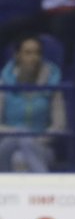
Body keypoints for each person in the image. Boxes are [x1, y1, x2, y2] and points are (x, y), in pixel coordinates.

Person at [0, 34, 66, 172]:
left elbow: (59, 126)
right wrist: (19, 133)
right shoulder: (3, 83)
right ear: (17, 55)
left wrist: (35, 140)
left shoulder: (52, 83)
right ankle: (44, 186)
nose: (33, 58)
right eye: (28, 53)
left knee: (20, 159)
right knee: (21, 138)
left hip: (42, 146)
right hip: (7, 143)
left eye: (37, 53)